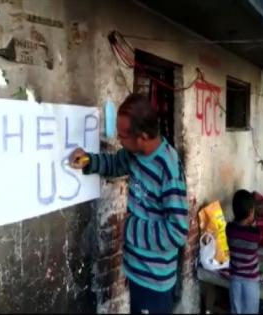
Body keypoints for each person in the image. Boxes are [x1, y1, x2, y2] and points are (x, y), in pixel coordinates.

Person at [69, 93, 189, 314]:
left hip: (155, 280)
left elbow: (177, 232)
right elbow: (115, 163)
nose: (118, 140)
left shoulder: (168, 170)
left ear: (142, 136)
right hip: (137, 271)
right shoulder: (135, 154)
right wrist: (89, 160)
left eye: (122, 136)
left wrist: (129, 227)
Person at [226, 189, 261, 314]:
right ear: (251, 211)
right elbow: (257, 238)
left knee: (236, 310)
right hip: (250, 281)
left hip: (235, 278)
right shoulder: (255, 234)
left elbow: (236, 226)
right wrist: (254, 224)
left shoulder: (229, 229)